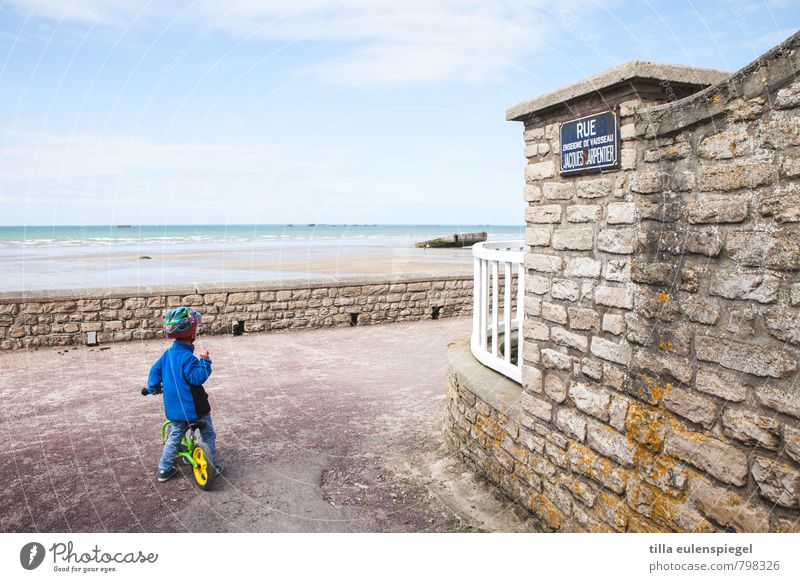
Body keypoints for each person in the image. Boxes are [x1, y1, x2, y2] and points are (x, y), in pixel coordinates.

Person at [144, 306, 222, 482]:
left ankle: (165, 468)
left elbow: (155, 371)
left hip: (175, 412)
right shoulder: (188, 358)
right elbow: (197, 378)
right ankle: (214, 465)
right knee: (208, 434)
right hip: (196, 410)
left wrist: (152, 387)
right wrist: (205, 361)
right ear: (192, 332)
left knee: (174, 436)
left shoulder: (167, 355)